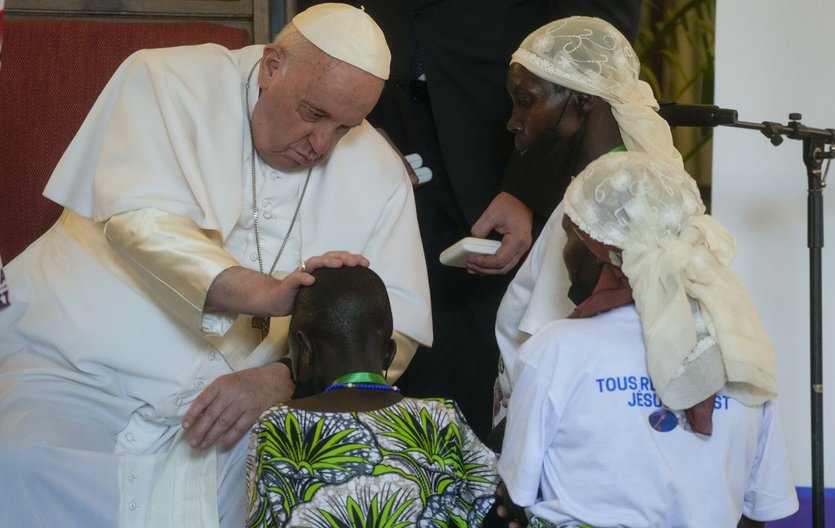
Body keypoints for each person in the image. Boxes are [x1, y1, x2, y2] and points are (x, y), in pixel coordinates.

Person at [0, 4, 431, 527]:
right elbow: (141, 223)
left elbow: (395, 328)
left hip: (250, 404)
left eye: (345, 128)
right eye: (314, 114)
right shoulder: (165, 80)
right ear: (271, 66)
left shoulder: (378, 172)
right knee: (23, 461)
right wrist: (265, 295)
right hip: (81, 368)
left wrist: (283, 378)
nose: (321, 146)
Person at [297, 1, 641, 439]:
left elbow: (592, 35)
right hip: (382, 117)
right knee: (387, 320)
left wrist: (525, 186)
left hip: (499, 138)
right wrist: (356, 116)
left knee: (483, 359)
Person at [497, 151, 799, 527]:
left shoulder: (555, 349)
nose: (565, 254)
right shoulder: (741, 353)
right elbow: (759, 512)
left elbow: (516, 495)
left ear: (600, 252)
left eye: (570, 237)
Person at [492, 15, 683, 427]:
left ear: (582, 100)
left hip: (562, 430)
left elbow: (550, 348)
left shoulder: (599, 206)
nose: (512, 120)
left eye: (526, 100)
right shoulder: (612, 185)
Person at [247, 265, 500, 527]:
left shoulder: (277, 425)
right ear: (390, 353)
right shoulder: (441, 417)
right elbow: (486, 497)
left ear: (304, 350)